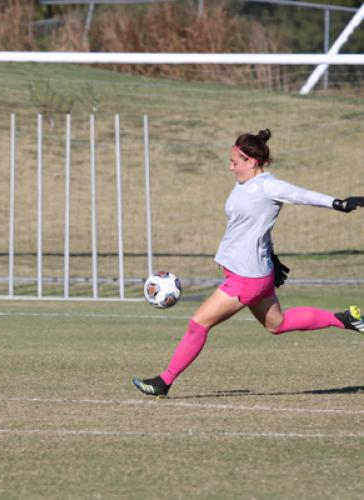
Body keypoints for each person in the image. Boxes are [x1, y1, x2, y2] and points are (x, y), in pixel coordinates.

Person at [133, 128, 364, 398]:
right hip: (253, 271)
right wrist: (270, 254)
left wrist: (337, 203)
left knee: (198, 324)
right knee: (277, 324)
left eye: (235, 162)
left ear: (251, 162)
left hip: (247, 277)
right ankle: (345, 319)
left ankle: (164, 381)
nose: (230, 167)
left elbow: (302, 195)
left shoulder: (269, 185)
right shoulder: (243, 184)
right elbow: (255, 225)